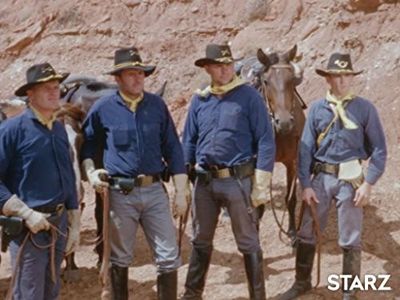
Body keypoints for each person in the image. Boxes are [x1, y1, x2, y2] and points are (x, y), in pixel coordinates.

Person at [80, 46, 190, 300]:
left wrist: (181, 189)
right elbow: (87, 144)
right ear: (118, 79)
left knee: (168, 257)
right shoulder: (103, 108)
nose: (137, 78)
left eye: (140, 73)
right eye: (130, 74)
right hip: (120, 194)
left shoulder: (157, 106)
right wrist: (91, 171)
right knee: (120, 258)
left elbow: (173, 147)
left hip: (154, 192)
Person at [279, 53, 387, 300]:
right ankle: (301, 282)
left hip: (351, 179)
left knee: (350, 237)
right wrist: (305, 184)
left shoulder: (364, 109)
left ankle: (349, 291)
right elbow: (305, 149)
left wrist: (368, 184)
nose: (342, 81)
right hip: (320, 179)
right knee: (306, 231)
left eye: (346, 75)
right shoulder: (317, 108)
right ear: (327, 79)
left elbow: (379, 149)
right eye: (336, 76)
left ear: (351, 77)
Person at [181, 44, 276, 300]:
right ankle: (191, 294)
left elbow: (266, 139)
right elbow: (189, 140)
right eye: (218, 66)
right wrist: (182, 182)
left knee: (248, 241)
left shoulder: (249, 97)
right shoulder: (200, 100)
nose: (224, 70)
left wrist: (261, 181)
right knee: (200, 238)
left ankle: (258, 297)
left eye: (228, 64)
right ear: (208, 68)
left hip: (238, 182)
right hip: (204, 182)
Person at [0, 63, 80, 300]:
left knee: (51, 291)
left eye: (56, 87)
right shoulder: (12, 130)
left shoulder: (58, 128)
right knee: (29, 293)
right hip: (29, 228)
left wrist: (74, 219)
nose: (54, 92)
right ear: (30, 94)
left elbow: (68, 175)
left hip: (58, 223)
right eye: (47, 88)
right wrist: (24, 213)